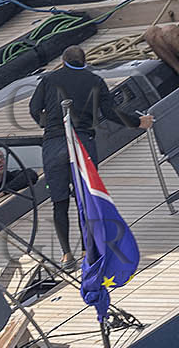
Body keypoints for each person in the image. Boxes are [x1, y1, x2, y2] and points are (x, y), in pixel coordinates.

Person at [27, 45, 152, 269]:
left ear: (63, 60)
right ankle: (87, 249)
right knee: (86, 198)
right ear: (85, 62)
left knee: (59, 202)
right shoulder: (95, 81)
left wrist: (46, 124)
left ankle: (66, 255)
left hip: (54, 144)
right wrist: (138, 122)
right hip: (83, 142)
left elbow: (34, 108)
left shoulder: (48, 80)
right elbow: (112, 112)